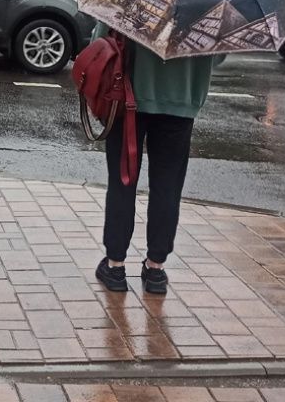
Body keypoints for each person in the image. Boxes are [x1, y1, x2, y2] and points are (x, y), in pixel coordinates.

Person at [93, 22, 222, 295]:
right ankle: (155, 269)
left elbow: (102, 37)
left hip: (127, 93)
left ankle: (115, 265)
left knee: (122, 181)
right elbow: (219, 54)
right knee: (168, 187)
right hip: (182, 99)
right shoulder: (211, 4)